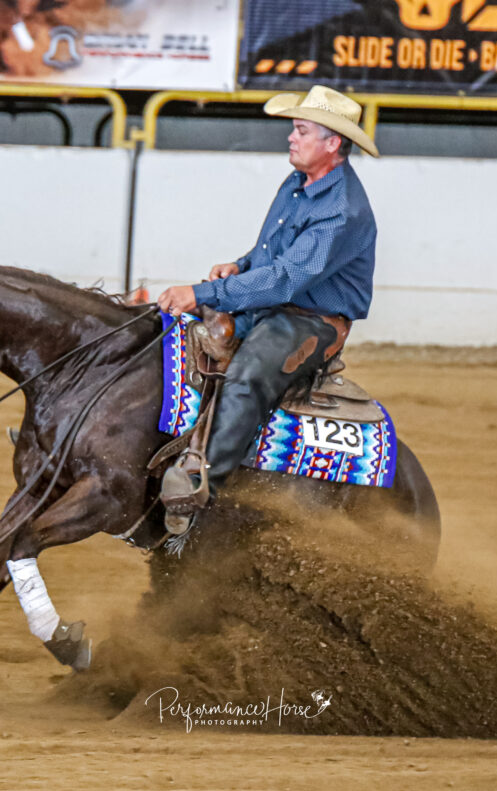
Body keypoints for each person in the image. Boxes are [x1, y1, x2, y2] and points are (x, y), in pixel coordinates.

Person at [156, 85, 380, 531]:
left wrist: (202, 293)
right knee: (174, 338)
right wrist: (240, 265)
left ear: (332, 143)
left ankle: (200, 486)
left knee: (247, 374)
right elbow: (274, 255)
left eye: (300, 130)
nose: (291, 138)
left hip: (313, 321)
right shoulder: (300, 184)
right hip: (280, 302)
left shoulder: (343, 210)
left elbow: (285, 279)